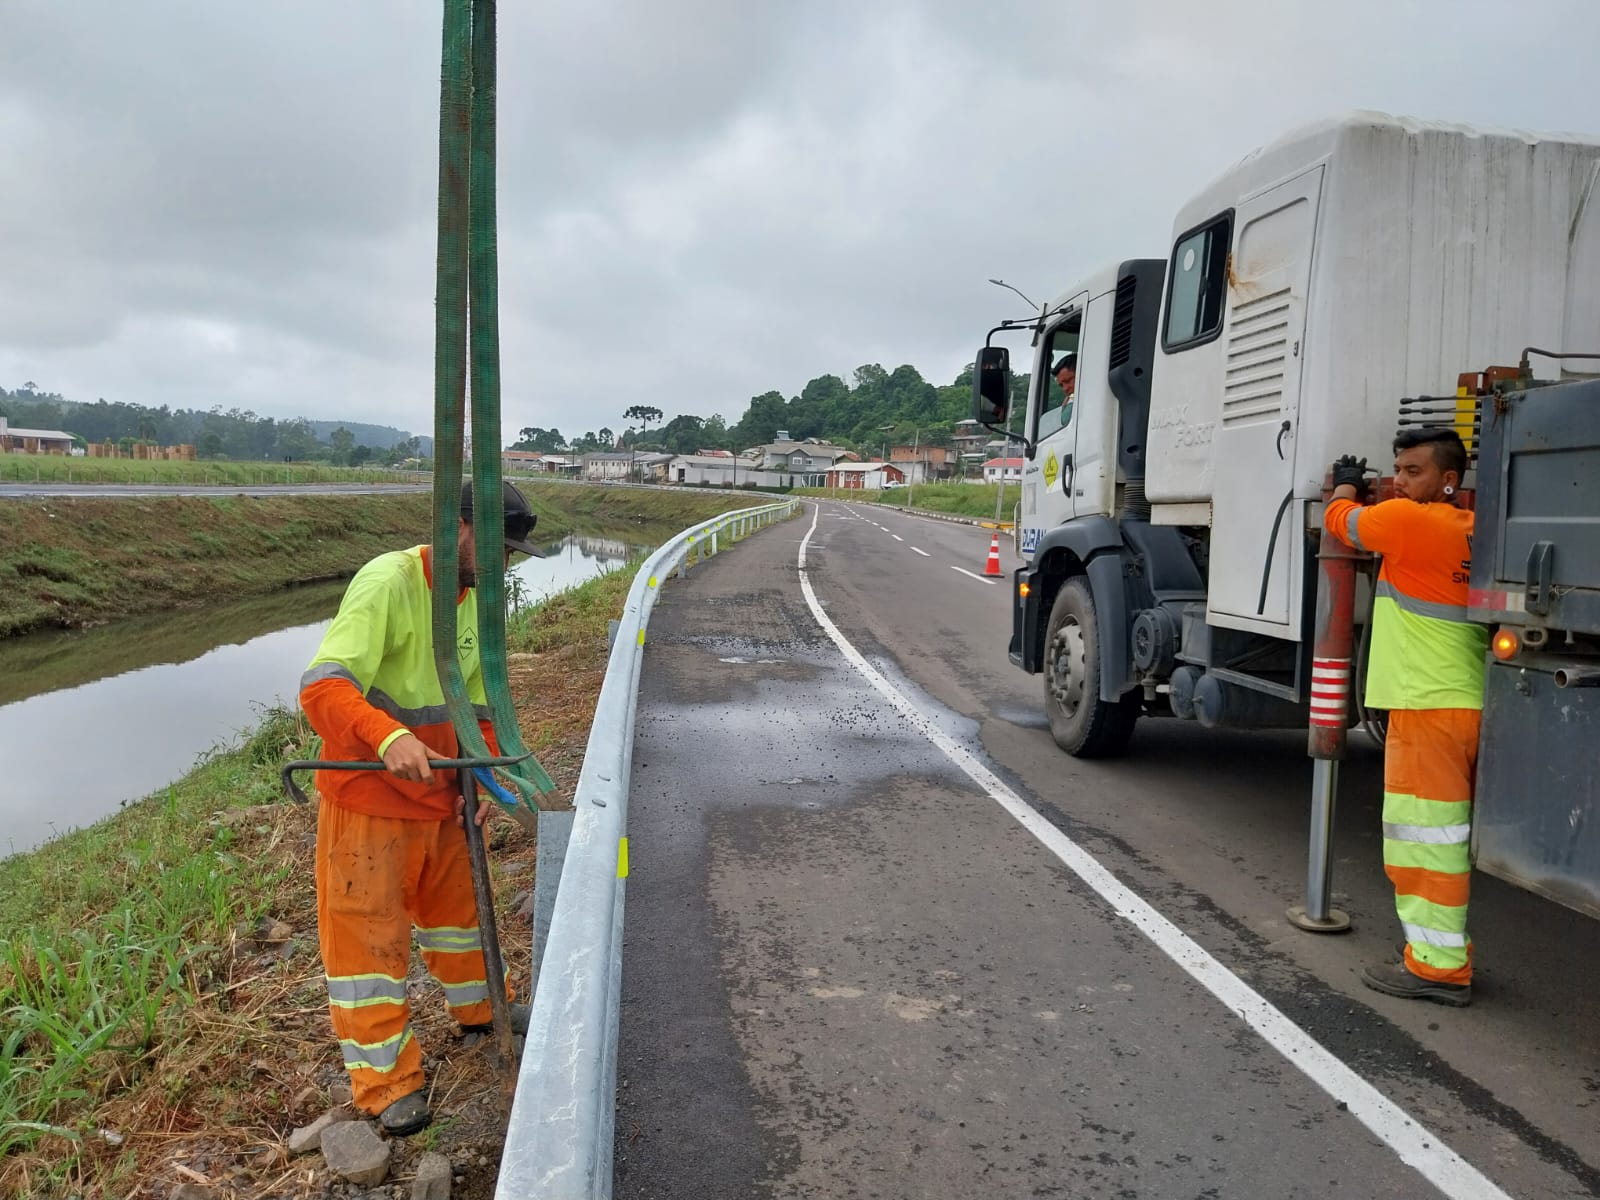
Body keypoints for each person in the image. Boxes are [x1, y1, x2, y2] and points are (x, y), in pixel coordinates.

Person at [298, 480, 544, 1134]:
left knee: (460, 917)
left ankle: (482, 1010)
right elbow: (323, 688)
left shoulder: (472, 599)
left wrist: (487, 777)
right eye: (497, 550)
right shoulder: (388, 582)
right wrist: (388, 735)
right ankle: (386, 1083)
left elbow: (479, 701)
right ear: (459, 527)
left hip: (445, 796)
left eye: (513, 554)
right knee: (368, 947)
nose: (505, 566)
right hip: (371, 804)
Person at [1324, 429, 1486, 1007]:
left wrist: (1344, 480)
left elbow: (1340, 520)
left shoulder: (1412, 521)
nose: (1399, 480)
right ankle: (1445, 955)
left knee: (1424, 843)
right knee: (1443, 837)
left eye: (1413, 470)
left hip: (1425, 706)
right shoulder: (1471, 531)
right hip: (1461, 700)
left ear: (1449, 480)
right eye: (1396, 469)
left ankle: (1437, 968)